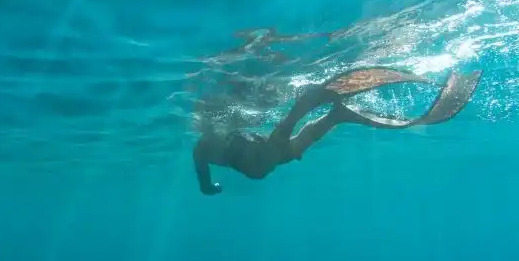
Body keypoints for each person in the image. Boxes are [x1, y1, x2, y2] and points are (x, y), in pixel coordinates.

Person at [193, 67, 482, 195]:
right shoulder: (219, 151)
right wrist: (206, 186)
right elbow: (205, 165)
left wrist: (207, 186)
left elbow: (202, 162)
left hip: (246, 147)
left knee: (285, 142)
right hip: (250, 153)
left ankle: (329, 113)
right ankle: (335, 115)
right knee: (286, 146)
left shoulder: (209, 147)